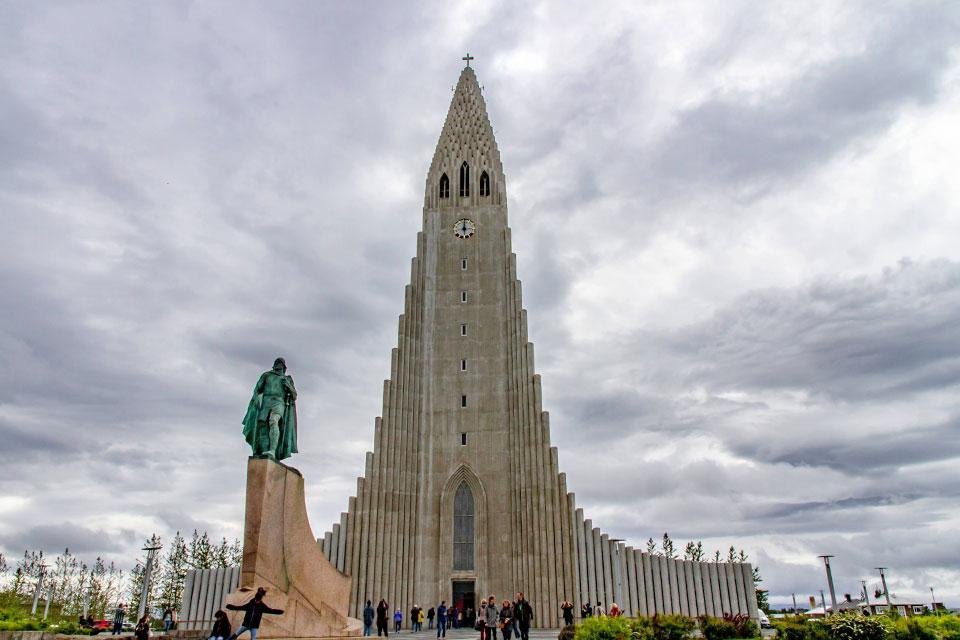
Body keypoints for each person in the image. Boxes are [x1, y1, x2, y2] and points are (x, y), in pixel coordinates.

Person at [241, 357, 298, 460]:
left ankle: (272, 450)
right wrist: (257, 397)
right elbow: (257, 389)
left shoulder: (287, 379)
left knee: (273, 420)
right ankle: (264, 450)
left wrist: (289, 387)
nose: (278, 364)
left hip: (278, 402)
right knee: (263, 426)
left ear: (284, 366)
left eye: (280, 363)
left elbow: (294, 396)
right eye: (276, 362)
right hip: (266, 401)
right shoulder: (267, 375)